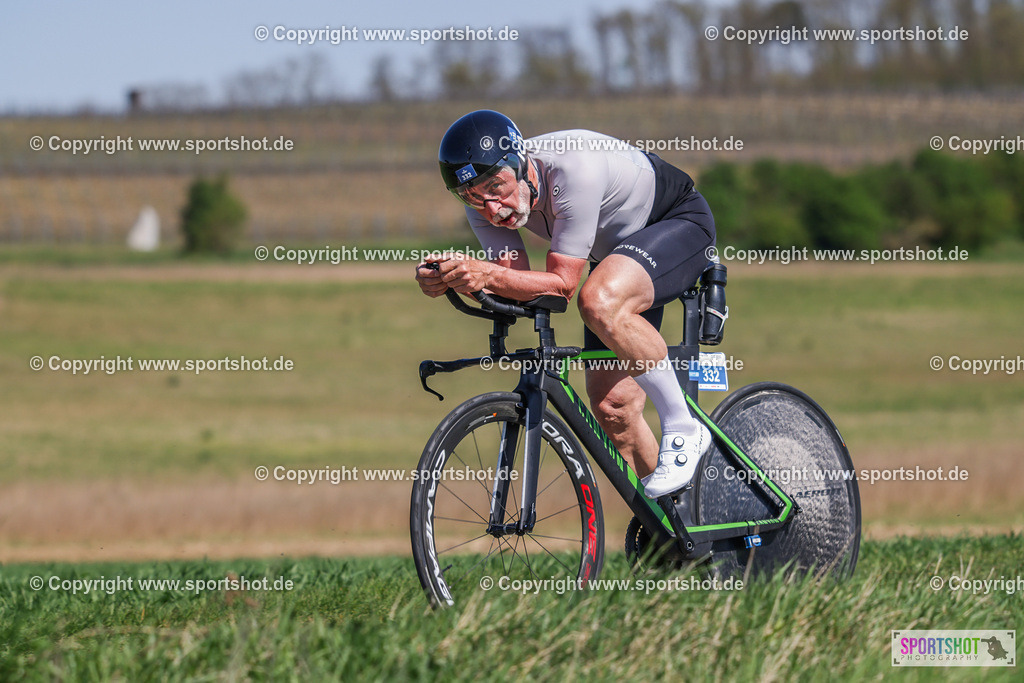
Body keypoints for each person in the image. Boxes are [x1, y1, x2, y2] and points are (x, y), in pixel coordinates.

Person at [415, 110, 715, 498]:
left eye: (496, 186)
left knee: (598, 299)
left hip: (676, 221)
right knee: (614, 408)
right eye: (472, 197)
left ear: (520, 162)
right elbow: (515, 285)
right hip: (617, 254)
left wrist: (485, 273)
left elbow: (561, 286)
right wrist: (455, 278)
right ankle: (680, 524)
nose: (492, 208)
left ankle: (684, 428)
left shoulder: (573, 169)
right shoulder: (486, 208)